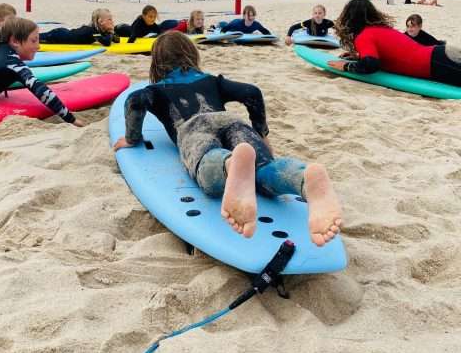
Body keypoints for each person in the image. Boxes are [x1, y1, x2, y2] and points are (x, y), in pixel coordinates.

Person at [113, 32, 342, 244]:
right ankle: (303, 179)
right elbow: (252, 92)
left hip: (195, 128)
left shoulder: (158, 90)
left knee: (208, 165)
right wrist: (261, 134)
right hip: (232, 121)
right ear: (193, 55)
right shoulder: (212, 81)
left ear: (157, 63)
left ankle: (231, 164)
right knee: (263, 169)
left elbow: (134, 101)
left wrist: (132, 138)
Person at [328, 0, 461, 86]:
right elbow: (388, 53)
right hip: (440, 55)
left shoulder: (363, 36)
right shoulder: (380, 28)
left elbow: (371, 65)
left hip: (436, 63)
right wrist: (358, 56)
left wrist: (346, 67)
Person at [40, 8, 117, 46]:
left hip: (65, 32)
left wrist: (112, 32)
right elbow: (106, 43)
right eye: (109, 19)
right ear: (101, 22)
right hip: (58, 36)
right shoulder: (92, 31)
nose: (112, 21)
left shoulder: (99, 31)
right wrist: (110, 32)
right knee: (36, 38)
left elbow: (117, 40)